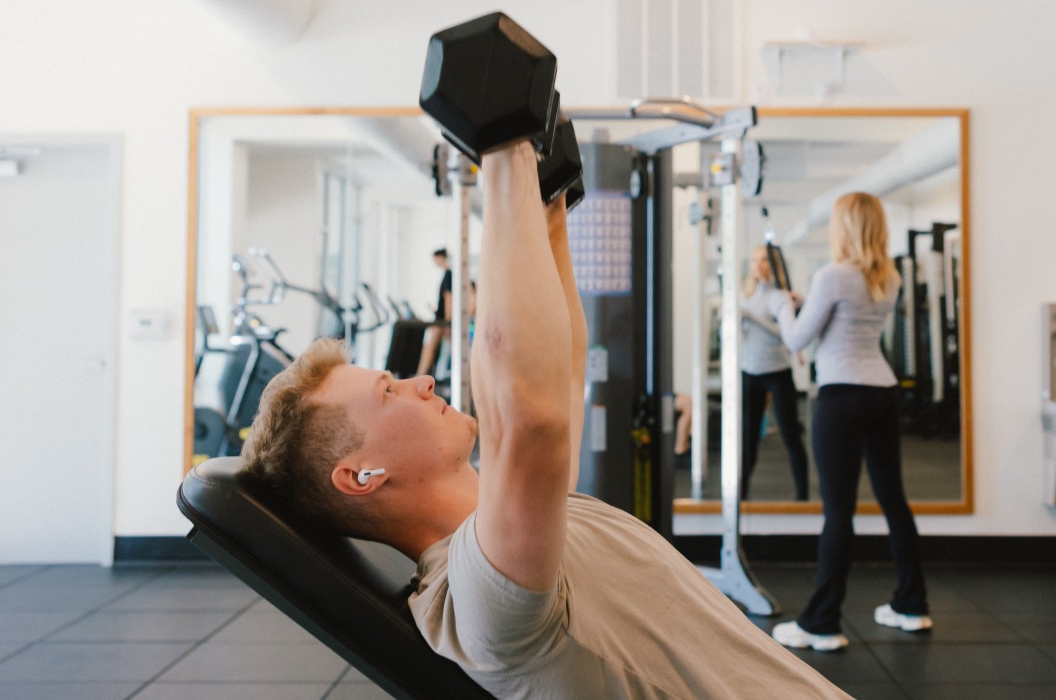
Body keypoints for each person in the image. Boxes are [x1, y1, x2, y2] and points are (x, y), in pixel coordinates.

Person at [238, 143, 847, 698]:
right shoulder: (477, 598)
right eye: (389, 390)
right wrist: (502, 150)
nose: (422, 382)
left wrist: (549, 205)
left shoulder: (536, 525)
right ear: (361, 475)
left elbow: (562, 370)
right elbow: (527, 412)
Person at [766, 192, 934, 652]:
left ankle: (821, 622)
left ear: (844, 228)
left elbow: (799, 336)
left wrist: (783, 305)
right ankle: (912, 605)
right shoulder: (889, 278)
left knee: (838, 511)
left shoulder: (832, 276)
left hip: (841, 397)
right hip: (882, 392)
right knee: (893, 500)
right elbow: (848, 321)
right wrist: (806, 300)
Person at [738, 245, 811, 501]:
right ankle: (740, 497)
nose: (758, 264)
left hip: (777, 372)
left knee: (791, 435)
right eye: (755, 259)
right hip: (749, 372)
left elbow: (786, 334)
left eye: (764, 260)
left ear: (773, 265)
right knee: (747, 441)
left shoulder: (780, 298)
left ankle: (803, 497)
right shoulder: (746, 297)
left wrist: (750, 316)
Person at [414, 248, 452, 377]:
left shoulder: (448, 274)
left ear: (441, 258)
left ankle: (420, 376)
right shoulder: (447, 274)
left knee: (429, 347)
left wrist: (447, 321)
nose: (434, 262)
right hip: (441, 318)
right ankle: (420, 375)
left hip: (442, 320)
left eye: (435, 259)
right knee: (430, 346)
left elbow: (448, 298)